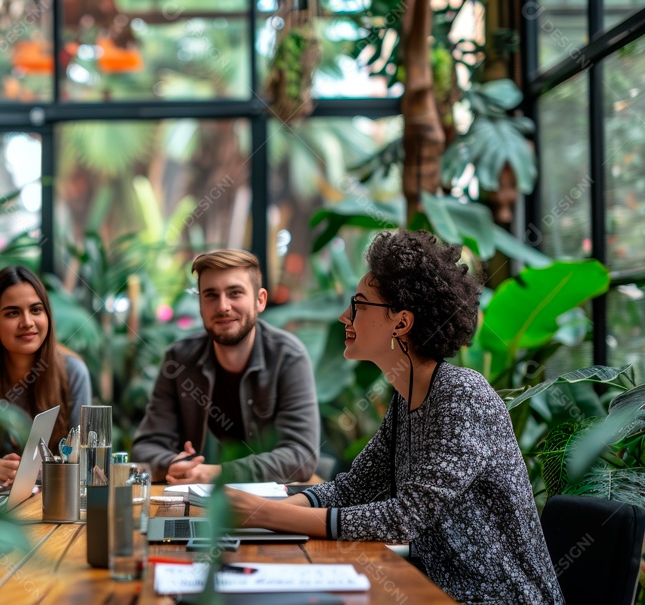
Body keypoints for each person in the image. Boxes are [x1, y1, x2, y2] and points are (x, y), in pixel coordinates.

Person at [227, 230, 563, 603]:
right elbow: (351, 490)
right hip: (439, 592)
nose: (344, 316)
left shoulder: (462, 396)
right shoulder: (408, 398)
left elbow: (403, 517)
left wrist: (266, 517)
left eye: (358, 305)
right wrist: (256, 512)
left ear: (401, 323)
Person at [131, 249, 319, 484]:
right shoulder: (179, 359)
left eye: (235, 293)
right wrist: (176, 465)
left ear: (260, 300)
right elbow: (146, 448)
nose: (223, 306)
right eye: (211, 295)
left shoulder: (288, 357)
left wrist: (214, 474)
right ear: (200, 304)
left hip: (274, 505)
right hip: (198, 502)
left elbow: (300, 456)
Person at [0, 266, 91, 486]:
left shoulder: (73, 373)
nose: (27, 322)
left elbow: (84, 459)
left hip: (54, 502)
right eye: (13, 313)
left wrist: (37, 472)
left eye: (36, 310)